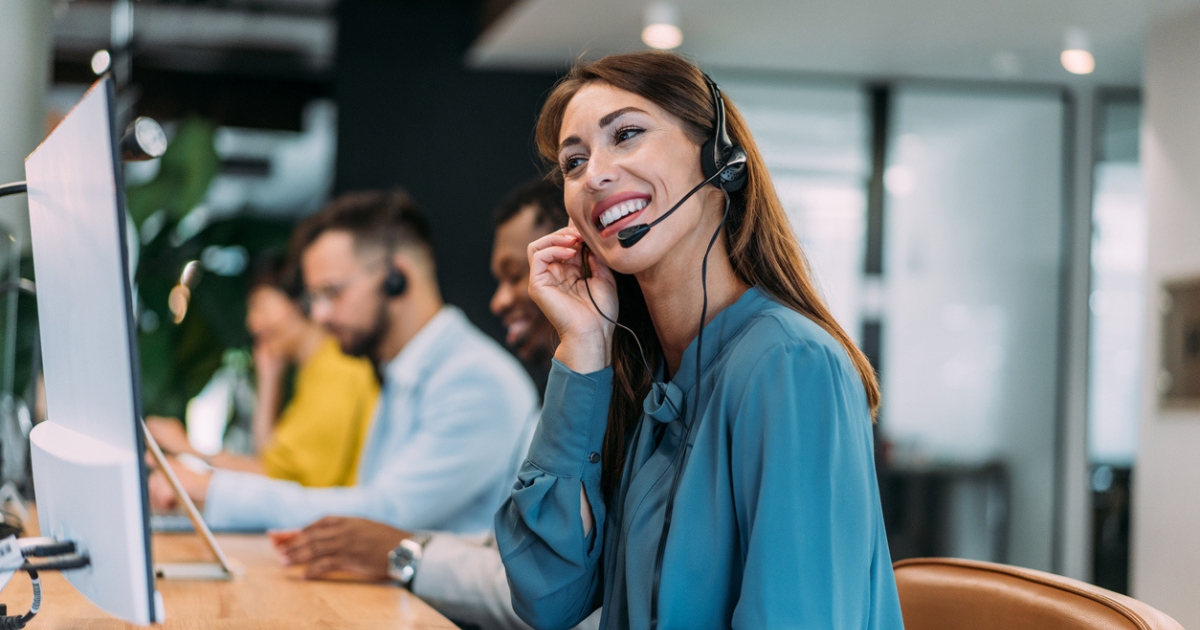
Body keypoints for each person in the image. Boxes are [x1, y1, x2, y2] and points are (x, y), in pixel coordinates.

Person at [494, 52, 904, 629]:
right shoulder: (651, 374)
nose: (595, 174)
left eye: (627, 134)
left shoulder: (790, 363)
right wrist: (583, 348)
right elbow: (547, 596)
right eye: (574, 161)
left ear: (719, 158)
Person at [274, 179, 599, 630]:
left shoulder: (479, 381)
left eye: (520, 274)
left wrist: (403, 552)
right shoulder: (400, 375)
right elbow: (506, 553)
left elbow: (541, 588)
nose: (499, 300)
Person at [149, 189, 539, 536]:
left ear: (395, 278)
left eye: (332, 293)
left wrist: (212, 488)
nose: (318, 315)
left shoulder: (473, 380)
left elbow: (383, 516)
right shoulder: (403, 370)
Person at [146, 254, 379, 488]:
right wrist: (269, 379)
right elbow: (273, 460)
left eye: (261, 306)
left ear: (300, 303)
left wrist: (188, 449)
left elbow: (280, 478)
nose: (252, 322)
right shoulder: (319, 367)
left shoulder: (337, 367)